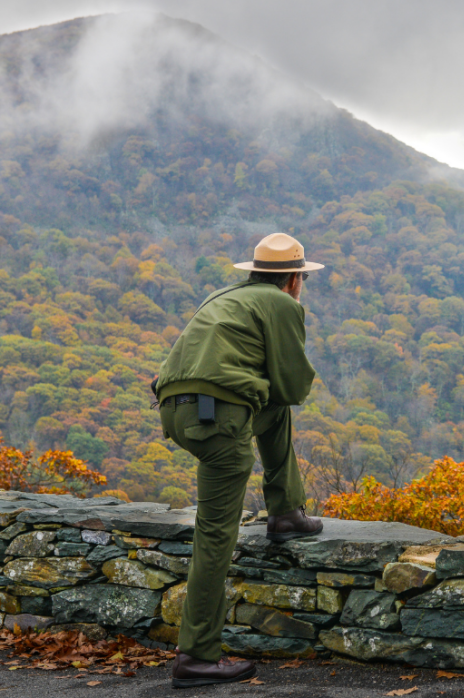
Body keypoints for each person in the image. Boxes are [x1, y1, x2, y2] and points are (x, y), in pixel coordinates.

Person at [154, 232, 325, 688]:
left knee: (270, 411)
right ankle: (196, 656)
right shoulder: (283, 305)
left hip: (177, 408)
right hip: (218, 415)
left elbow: (274, 401)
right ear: (293, 279)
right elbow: (293, 386)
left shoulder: (225, 295)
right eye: (302, 277)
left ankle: (286, 510)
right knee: (214, 534)